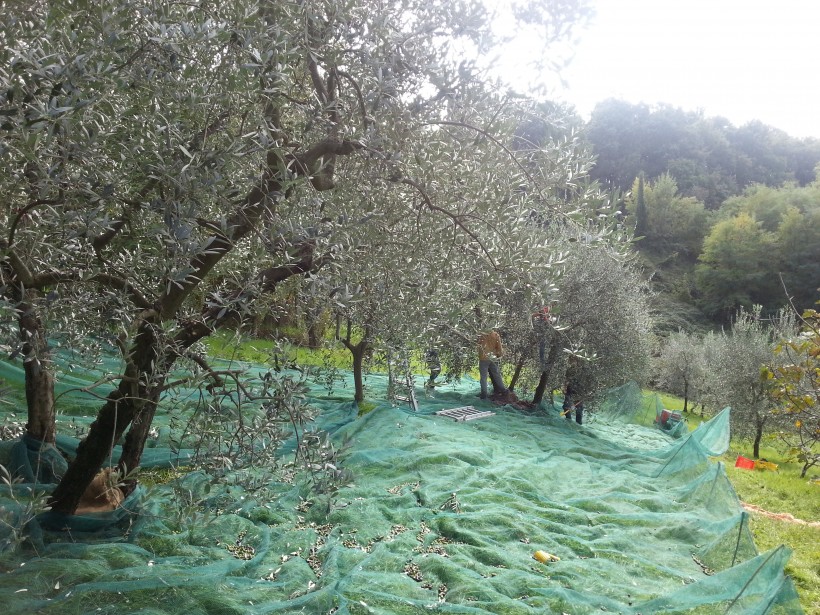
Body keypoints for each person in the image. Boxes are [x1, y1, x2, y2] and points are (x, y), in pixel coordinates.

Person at [477, 329, 508, 399]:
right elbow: (499, 348)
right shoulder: (496, 335)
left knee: (483, 377)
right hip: (493, 358)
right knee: (497, 374)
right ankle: (503, 390)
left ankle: (484, 394)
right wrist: (499, 356)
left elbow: (478, 344)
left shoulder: (481, 334)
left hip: (483, 358)